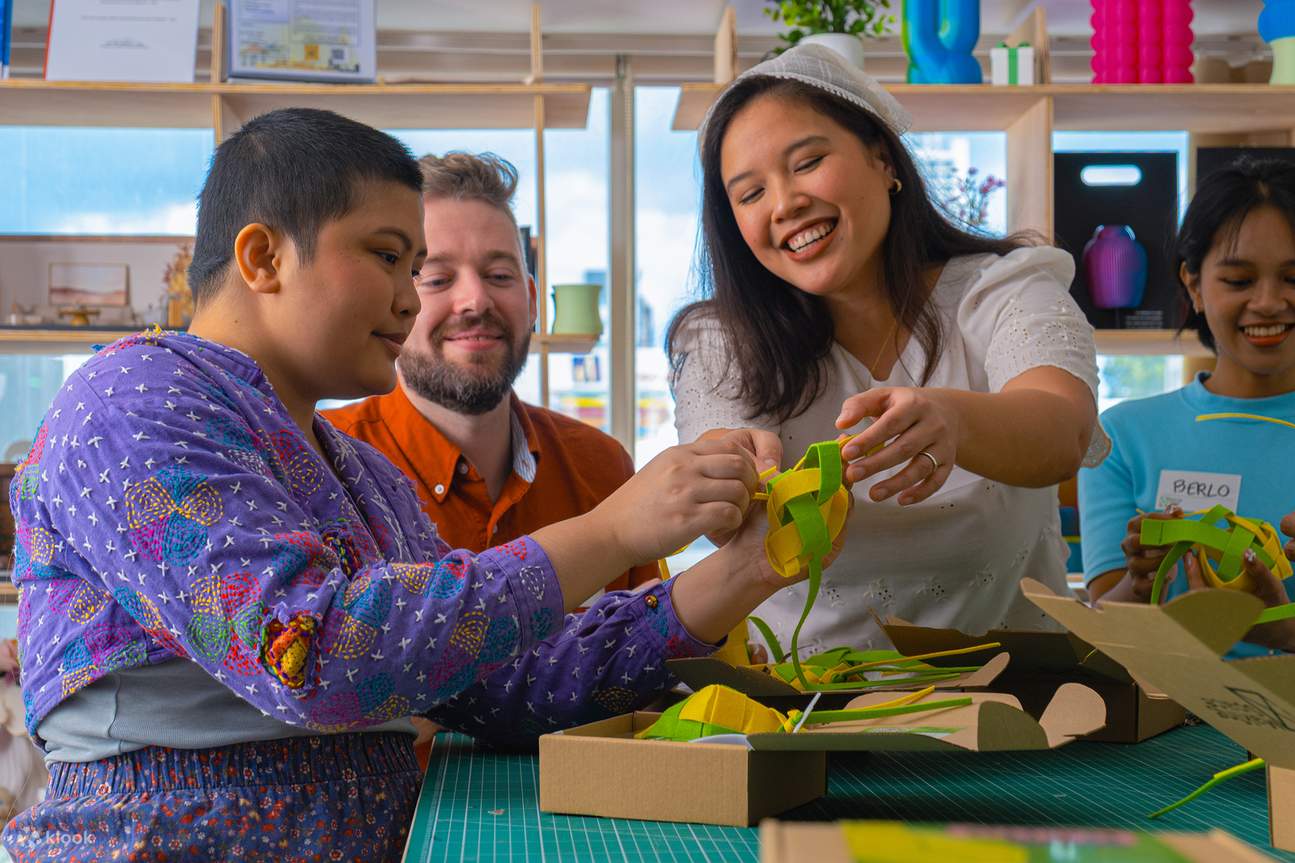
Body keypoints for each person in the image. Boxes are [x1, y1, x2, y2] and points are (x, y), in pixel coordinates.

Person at [4, 108, 822, 861]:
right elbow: (308, 655)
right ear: (263, 257)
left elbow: (506, 684)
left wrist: (741, 570)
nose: (409, 298)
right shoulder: (130, 401)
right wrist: (609, 532)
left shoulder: (365, 477)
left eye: (415, 265)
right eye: (389, 257)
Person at [668, 44, 1104, 655]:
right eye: (750, 194)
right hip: (802, 700)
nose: (784, 204)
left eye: (808, 162)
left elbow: (1064, 431)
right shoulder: (721, 338)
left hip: (1021, 698)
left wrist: (954, 419)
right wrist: (728, 479)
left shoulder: (1005, 288)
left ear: (882, 158)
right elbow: (720, 473)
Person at [325, 152, 656, 591]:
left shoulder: (603, 468)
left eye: (499, 276)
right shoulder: (322, 465)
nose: (476, 300)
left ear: (532, 302)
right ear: (396, 303)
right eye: (437, 279)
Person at [1080, 157, 1295, 656]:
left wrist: (1285, 632)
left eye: (1293, 277)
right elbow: (1102, 631)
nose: (1268, 302)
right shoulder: (1121, 437)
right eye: (1239, 280)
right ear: (1194, 285)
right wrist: (1140, 581)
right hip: (1165, 705)